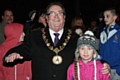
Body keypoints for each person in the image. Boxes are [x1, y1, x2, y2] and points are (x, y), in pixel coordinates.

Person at [3, 1, 110, 80]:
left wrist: (105, 64)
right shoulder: (35, 36)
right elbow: (24, 49)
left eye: (60, 13)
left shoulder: (75, 38)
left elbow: (92, 55)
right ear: (47, 18)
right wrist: (12, 53)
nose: (56, 16)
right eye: (52, 13)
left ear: (64, 17)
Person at [100, 8, 120, 80]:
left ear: (114, 17)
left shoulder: (118, 32)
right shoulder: (103, 32)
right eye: (104, 16)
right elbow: (101, 49)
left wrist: (118, 70)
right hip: (104, 69)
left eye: (107, 16)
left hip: (116, 70)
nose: (105, 18)